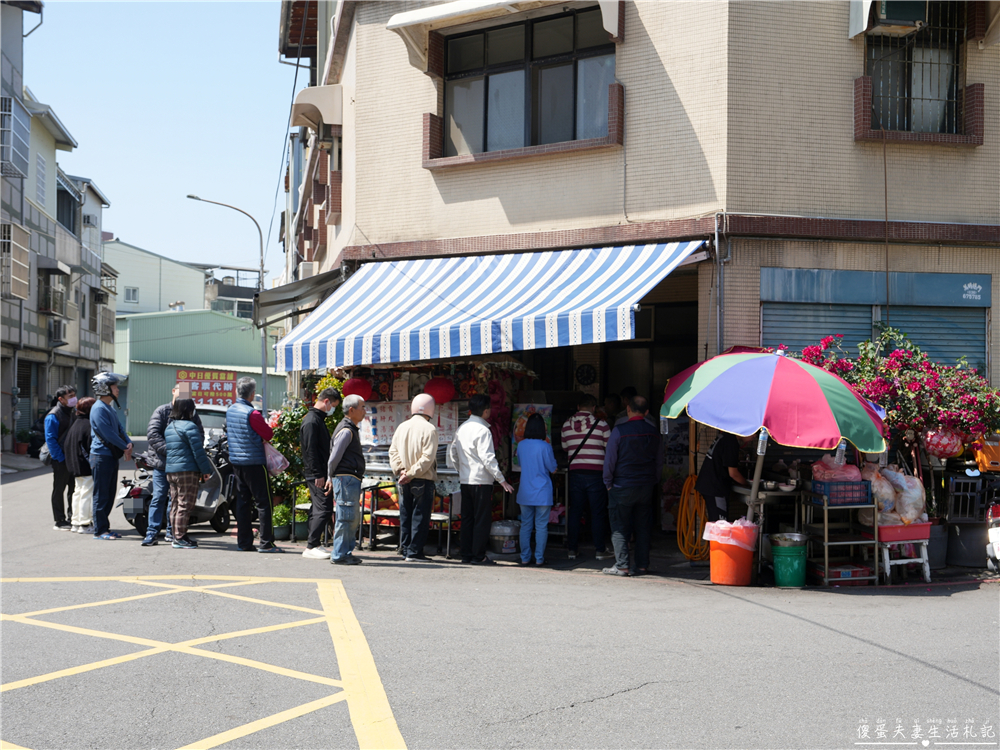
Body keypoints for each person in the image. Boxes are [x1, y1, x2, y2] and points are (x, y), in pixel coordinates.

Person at [448, 393, 514, 565]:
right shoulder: (484, 430)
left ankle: (466, 554)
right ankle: (479, 556)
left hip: (465, 480)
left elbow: (453, 453)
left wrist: (461, 470)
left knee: (467, 518)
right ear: (486, 411)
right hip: (481, 481)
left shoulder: (462, 428)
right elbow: (488, 459)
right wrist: (502, 480)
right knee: (481, 520)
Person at [602, 395, 662, 577]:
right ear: (647, 412)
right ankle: (642, 565)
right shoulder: (654, 432)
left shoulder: (619, 431)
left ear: (628, 409)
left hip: (622, 485)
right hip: (645, 486)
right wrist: (654, 481)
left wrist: (608, 483)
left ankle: (622, 566)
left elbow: (610, 460)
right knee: (643, 527)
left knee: (619, 526)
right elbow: (659, 461)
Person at [226, 377, 281, 553]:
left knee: (243, 503)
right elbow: (268, 434)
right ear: (251, 394)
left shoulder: (231, 410)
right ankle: (266, 543)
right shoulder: (253, 414)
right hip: (255, 463)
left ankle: (244, 543)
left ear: (237, 392)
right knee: (264, 503)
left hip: (237, 462)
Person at [145, 383, 205, 546]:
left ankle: (173, 532)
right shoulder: (162, 411)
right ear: (173, 391)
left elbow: (199, 435)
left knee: (175, 500)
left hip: (180, 466)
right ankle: (152, 532)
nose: (185, 395)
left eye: (188, 393)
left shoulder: (192, 414)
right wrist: (172, 451)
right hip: (161, 463)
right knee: (158, 497)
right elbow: (153, 434)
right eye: (181, 392)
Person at [561, 393, 613, 561]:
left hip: (575, 473)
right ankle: (599, 550)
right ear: (593, 408)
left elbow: (564, 447)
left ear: (578, 407)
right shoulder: (602, 425)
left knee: (575, 511)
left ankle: (572, 549)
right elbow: (610, 448)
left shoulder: (566, 425)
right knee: (597, 512)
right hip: (596, 474)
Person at [389, 393, 439, 562]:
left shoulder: (402, 427)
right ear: (430, 410)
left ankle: (405, 549)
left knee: (405, 515)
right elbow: (427, 458)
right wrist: (410, 473)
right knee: (420, 517)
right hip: (422, 480)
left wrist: (402, 472)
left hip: (403, 479)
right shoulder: (430, 429)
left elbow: (393, 452)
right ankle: (414, 552)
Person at [163, 398, 214, 549]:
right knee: (185, 504)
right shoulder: (190, 427)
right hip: (187, 471)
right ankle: (180, 537)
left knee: (175, 504)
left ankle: (176, 535)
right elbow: (198, 452)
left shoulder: (170, 427)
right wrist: (206, 471)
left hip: (171, 470)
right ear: (189, 410)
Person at [299, 387, 341, 559]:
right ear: (326, 402)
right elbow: (310, 451)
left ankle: (314, 543)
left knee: (318, 508)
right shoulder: (311, 421)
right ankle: (311, 546)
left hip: (318, 472)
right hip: (316, 473)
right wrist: (317, 473)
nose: (333, 409)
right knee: (323, 508)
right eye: (334, 405)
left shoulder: (316, 419)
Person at [89, 373, 132, 540]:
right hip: (100, 456)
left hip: (109, 456)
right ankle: (100, 530)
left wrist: (128, 443)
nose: (118, 390)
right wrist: (124, 447)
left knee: (109, 493)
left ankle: (105, 528)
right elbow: (108, 433)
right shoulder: (98, 408)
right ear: (105, 389)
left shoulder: (109, 408)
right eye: (115, 387)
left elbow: (119, 429)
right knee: (101, 495)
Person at [325, 394, 367, 565]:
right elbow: (334, 457)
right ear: (352, 410)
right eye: (362, 407)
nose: (365, 411)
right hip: (345, 479)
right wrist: (330, 475)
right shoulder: (347, 430)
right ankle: (340, 554)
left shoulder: (350, 428)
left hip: (348, 479)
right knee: (346, 517)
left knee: (350, 517)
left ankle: (345, 552)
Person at [516, 413, 558, 566]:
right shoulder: (545, 446)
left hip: (525, 490)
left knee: (526, 525)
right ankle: (539, 558)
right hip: (542, 492)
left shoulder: (521, 445)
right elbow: (552, 468)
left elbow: (520, 463)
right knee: (541, 526)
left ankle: (525, 557)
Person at [694, 432, 748, 522]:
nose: (754, 437)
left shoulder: (725, 436)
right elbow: (733, 473)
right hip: (715, 487)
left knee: (716, 523)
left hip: (710, 483)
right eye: (755, 434)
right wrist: (748, 485)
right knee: (720, 524)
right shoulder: (731, 442)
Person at [45, 385, 77, 530]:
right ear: (61, 399)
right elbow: (50, 439)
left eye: (74, 395)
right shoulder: (53, 415)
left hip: (72, 458)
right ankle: (59, 520)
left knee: (74, 488)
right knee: (59, 489)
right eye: (70, 396)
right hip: (61, 459)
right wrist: (60, 458)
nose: (73, 398)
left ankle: (73, 517)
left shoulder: (73, 412)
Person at [63, 397, 96, 534]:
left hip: (74, 465)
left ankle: (75, 522)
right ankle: (84, 523)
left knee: (78, 492)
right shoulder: (88, 425)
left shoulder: (75, 424)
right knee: (86, 494)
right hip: (86, 465)